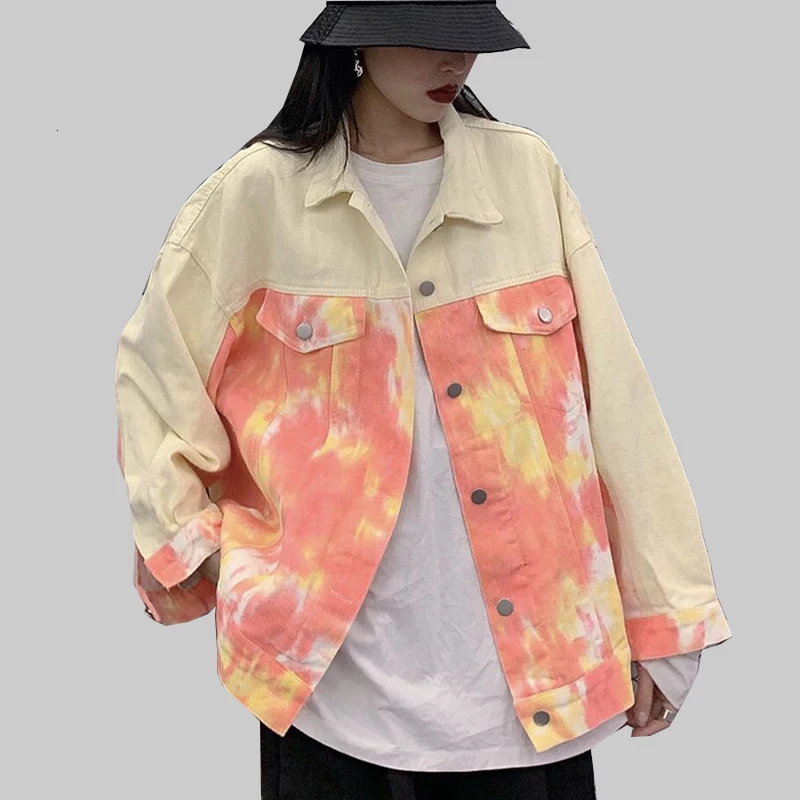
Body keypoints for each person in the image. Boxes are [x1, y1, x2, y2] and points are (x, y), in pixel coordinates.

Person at [113, 2, 732, 798]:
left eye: (469, 40)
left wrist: (666, 619)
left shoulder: (525, 175)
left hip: (530, 687)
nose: (457, 62)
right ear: (358, 39)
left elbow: (618, 403)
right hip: (330, 692)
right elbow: (155, 378)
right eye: (431, 36)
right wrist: (207, 554)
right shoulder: (257, 196)